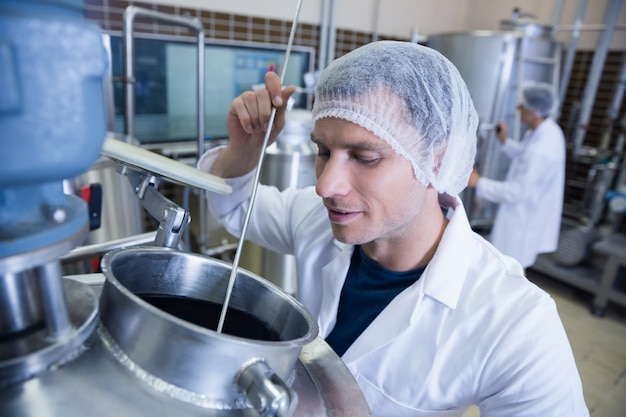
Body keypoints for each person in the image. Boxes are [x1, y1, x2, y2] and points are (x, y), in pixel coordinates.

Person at [198, 41, 587, 416]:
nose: (325, 186)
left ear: (437, 159)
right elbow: (237, 207)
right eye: (324, 152)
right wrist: (244, 151)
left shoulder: (516, 322)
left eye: (365, 157)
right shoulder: (316, 219)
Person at [468, 83, 566, 269]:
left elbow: (517, 192)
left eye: (522, 105)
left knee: (505, 270)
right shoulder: (547, 132)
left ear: (535, 111)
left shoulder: (542, 149)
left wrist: (478, 182)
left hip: (522, 222)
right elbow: (524, 155)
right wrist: (504, 142)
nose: (518, 108)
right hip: (526, 214)